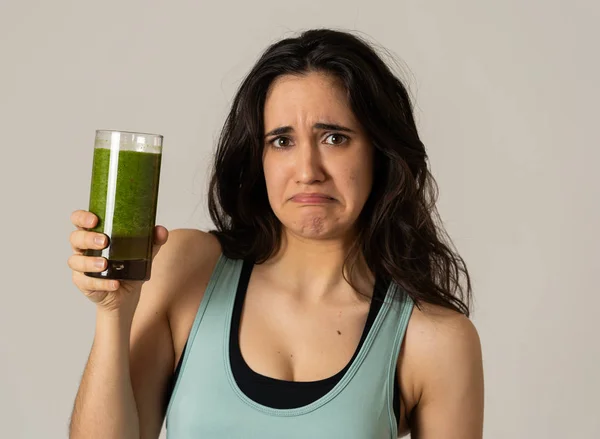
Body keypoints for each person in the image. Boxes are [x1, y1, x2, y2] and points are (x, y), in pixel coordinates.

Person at [67, 28, 484, 439]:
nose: (307, 171)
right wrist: (113, 315)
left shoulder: (434, 342)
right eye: (282, 141)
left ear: (380, 153)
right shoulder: (188, 268)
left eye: (334, 138)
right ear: (258, 157)